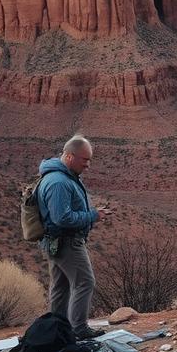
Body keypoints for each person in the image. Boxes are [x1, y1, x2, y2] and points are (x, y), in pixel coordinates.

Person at [38, 134, 111, 339]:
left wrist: (93, 214)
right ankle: (78, 329)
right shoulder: (59, 182)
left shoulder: (61, 176)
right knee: (84, 282)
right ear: (70, 157)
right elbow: (62, 218)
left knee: (60, 287)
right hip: (67, 242)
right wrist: (93, 216)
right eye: (84, 159)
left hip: (57, 242)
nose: (88, 165)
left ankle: (57, 330)